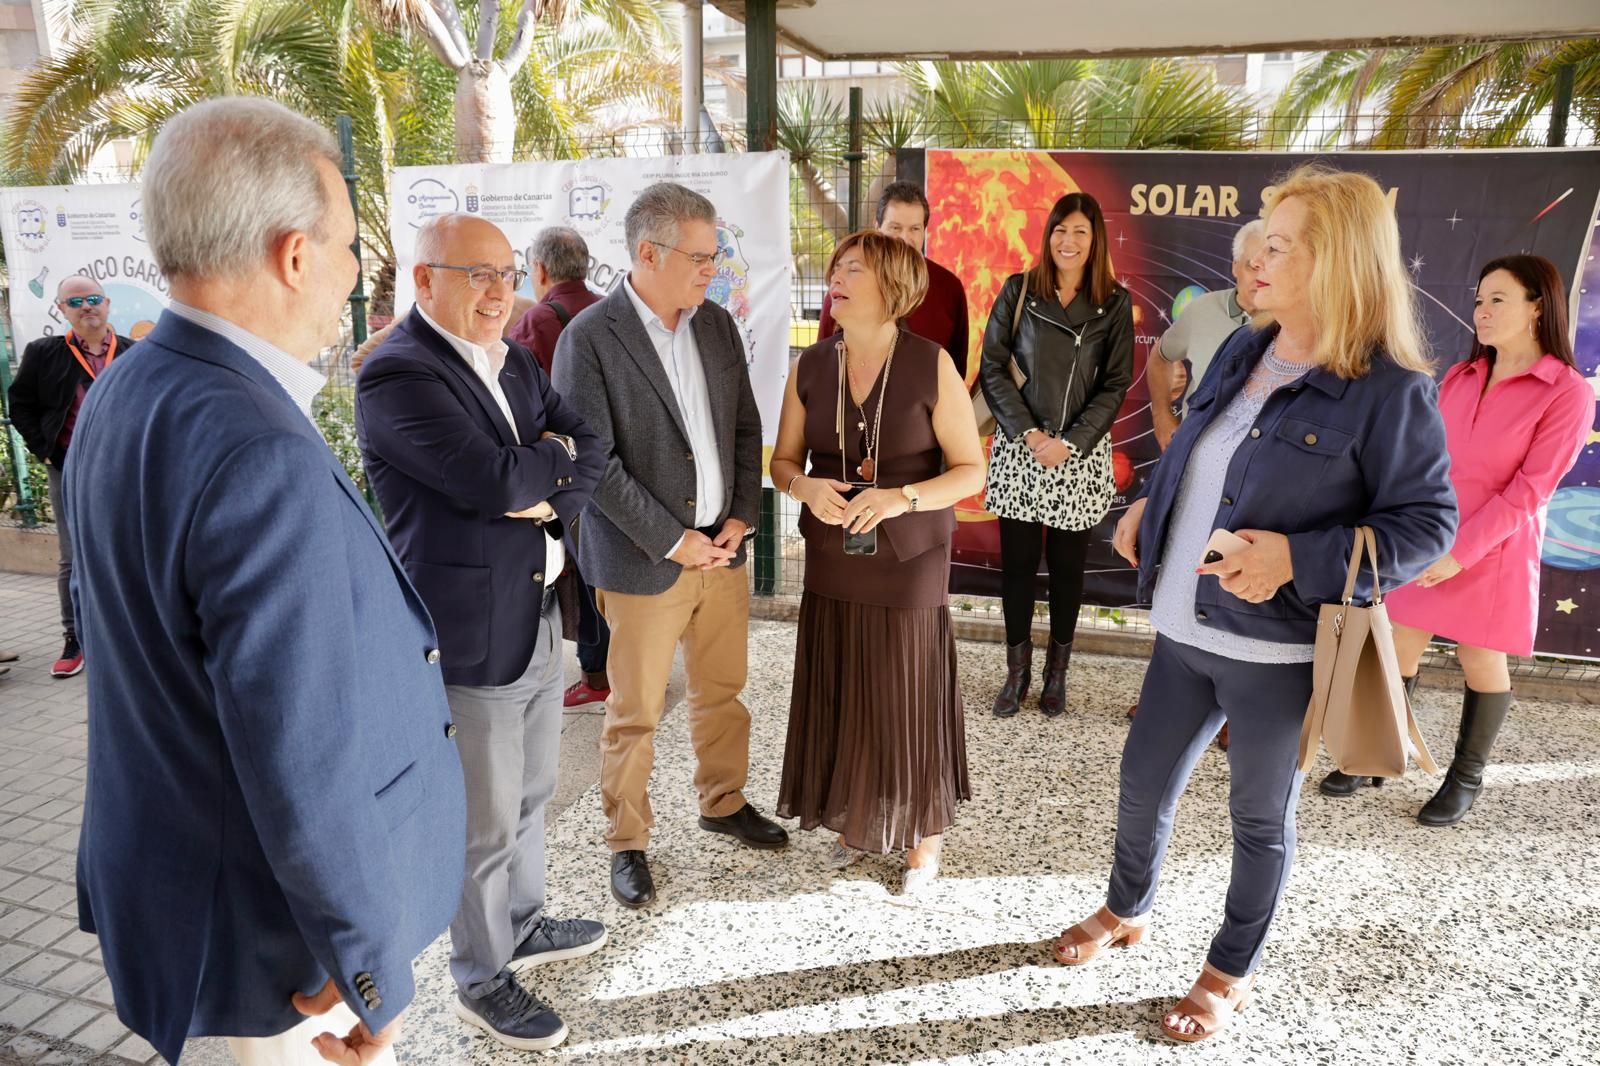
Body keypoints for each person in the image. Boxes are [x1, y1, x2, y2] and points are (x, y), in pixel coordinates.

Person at [62, 97, 467, 1066]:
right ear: (293, 255)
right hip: (279, 946)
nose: (355, 272)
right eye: (347, 245)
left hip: (195, 896)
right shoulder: (256, 448)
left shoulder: (126, 387)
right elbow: (302, 750)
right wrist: (367, 960)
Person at [1052, 165, 1456, 1043]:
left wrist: (1294, 558)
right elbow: (1200, 457)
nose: (1256, 261)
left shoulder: (1392, 389)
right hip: (1182, 629)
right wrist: (1146, 515)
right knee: (1139, 787)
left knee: (1259, 822)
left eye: (1277, 246)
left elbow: (1428, 528)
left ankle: (1228, 970)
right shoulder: (1246, 347)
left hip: (1274, 656)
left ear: (1338, 260)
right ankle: (1127, 908)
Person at [356, 214, 607, 1051]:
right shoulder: (398, 373)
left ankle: (524, 925)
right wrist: (539, 470)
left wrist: (546, 486)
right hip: (468, 628)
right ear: (424, 280)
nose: (501, 291)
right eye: (477, 274)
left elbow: (591, 444)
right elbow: (489, 476)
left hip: (536, 609)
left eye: (507, 273)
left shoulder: (517, 356)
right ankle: (480, 976)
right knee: (486, 820)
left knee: (534, 792)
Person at [552, 182, 786, 910]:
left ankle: (722, 803)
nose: (711, 270)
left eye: (714, 256)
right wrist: (672, 540)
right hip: (642, 563)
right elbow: (592, 464)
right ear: (647, 253)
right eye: (699, 256)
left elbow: (746, 428)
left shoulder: (715, 326)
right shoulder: (588, 340)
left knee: (723, 694)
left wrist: (741, 516)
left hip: (723, 552)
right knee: (635, 713)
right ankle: (627, 842)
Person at [1321, 254, 1592, 824]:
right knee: (1397, 645)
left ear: (1537, 307)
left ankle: (1465, 778)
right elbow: (1425, 460)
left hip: (1496, 548)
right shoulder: (1460, 376)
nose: (1482, 311)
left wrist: (1461, 552)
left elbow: (1531, 491)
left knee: (1481, 659)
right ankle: (1375, 755)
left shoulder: (1567, 392)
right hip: (1429, 536)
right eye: (1478, 300)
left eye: (1498, 299)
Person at [771, 231, 986, 893]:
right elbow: (781, 463)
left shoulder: (930, 364)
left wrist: (902, 497)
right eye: (835, 267)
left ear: (892, 286)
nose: (836, 278)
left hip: (910, 554)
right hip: (836, 553)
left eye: (853, 269)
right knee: (842, 681)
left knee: (905, 688)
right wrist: (804, 486)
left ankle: (924, 834)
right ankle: (856, 815)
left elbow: (970, 470)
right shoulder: (810, 365)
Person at [978, 192, 1134, 718]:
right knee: (1017, 567)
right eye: (1060, 230)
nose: (1068, 241)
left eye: (1080, 233)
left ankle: (1056, 674)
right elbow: (993, 368)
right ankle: (1016, 672)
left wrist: (1070, 441)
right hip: (1022, 448)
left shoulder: (1113, 302)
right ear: (1048, 236)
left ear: (1095, 242)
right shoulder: (1019, 291)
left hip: (1080, 454)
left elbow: (1115, 383)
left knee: (1069, 570)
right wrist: (1029, 435)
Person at [7, 277, 136, 679]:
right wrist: (46, 451)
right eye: (76, 301)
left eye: (93, 299)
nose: (87, 307)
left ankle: (132, 640)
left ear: (108, 303)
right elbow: (20, 404)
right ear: (62, 309)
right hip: (69, 468)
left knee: (132, 551)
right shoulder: (44, 353)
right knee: (73, 557)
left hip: (126, 470)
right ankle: (74, 639)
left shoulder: (134, 353)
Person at [508, 226, 612, 707]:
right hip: (621, 463)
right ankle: (628, 664)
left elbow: (513, 401)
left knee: (585, 568)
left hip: (571, 468)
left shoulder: (535, 323)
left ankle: (595, 676)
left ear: (541, 270)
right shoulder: (612, 312)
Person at [817, 181, 971, 377]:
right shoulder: (847, 285)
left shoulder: (949, 287)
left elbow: (957, 370)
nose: (904, 239)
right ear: (877, 227)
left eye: (914, 229)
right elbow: (822, 359)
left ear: (924, 231)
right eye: (895, 228)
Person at [1149, 220, 1264, 451]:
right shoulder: (1201, 310)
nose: (1262, 278)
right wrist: (1161, 415)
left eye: (1272, 266)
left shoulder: (1294, 323)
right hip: (1196, 453)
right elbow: (1160, 356)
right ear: (1235, 266)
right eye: (1253, 266)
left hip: (1260, 464)